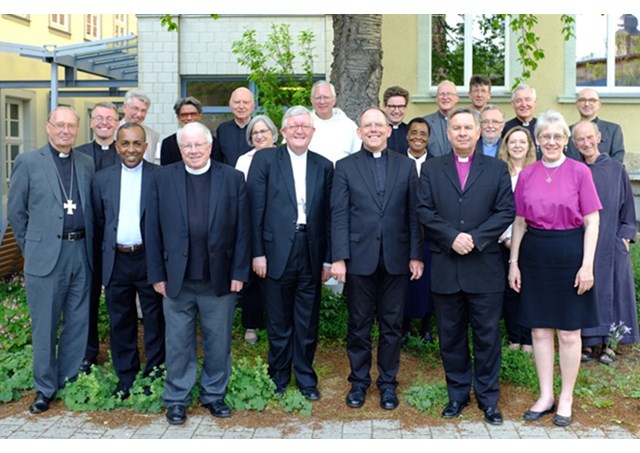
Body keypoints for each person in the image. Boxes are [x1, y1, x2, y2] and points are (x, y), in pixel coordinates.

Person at [146, 121, 250, 425]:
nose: (193, 150)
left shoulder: (232, 178)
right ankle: (177, 398)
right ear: (180, 149)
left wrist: (239, 272)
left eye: (198, 145)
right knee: (178, 343)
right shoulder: (163, 178)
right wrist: (157, 274)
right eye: (187, 146)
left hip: (219, 279)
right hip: (176, 279)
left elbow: (243, 230)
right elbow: (152, 229)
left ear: (209, 146)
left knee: (218, 343)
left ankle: (213, 395)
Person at [417, 108, 515, 426]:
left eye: (467, 128)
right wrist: (451, 237)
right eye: (456, 128)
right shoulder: (432, 169)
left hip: (484, 268)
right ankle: (457, 395)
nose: (462, 133)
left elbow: (505, 211)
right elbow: (424, 210)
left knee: (487, 337)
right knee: (451, 336)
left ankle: (488, 399)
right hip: (447, 267)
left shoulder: (497, 169)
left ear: (478, 132)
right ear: (448, 133)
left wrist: (473, 237)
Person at [508, 110, 601, 427]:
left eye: (557, 136)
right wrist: (514, 263)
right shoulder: (527, 174)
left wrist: (587, 264)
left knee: (570, 332)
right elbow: (519, 223)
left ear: (566, 140)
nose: (551, 141)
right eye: (545, 136)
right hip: (535, 255)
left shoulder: (579, 172)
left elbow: (592, 221)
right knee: (539, 329)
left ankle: (566, 397)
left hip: (570, 254)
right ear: (537, 139)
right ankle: (546, 394)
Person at [331, 108, 423, 411]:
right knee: (358, 324)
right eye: (367, 125)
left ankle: (387, 384)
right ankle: (358, 382)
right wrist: (339, 258)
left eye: (378, 125)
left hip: (397, 258)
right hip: (358, 259)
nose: (373, 130)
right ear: (359, 132)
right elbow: (339, 214)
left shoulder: (406, 166)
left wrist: (415, 255)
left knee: (392, 325)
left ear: (388, 130)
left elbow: (413, 214)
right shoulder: (344, 167)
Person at [7, 106, 95, 414]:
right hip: (45, 258)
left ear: (77, 129)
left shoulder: (86, 163)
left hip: (80, 253)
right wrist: (32, 247)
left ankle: (69, 381)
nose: (65, 131)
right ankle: (44, 388)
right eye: (59, 125)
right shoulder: (28, 162)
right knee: (44, 325)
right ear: (48, 127)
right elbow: (16, 213)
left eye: (71, 126)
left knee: (77, 321)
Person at [247, 106, 333, 400]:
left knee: (307, 322)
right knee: (279, 321)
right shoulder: (266, 160)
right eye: (293, 126)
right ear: (282, 132)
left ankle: (306, 378)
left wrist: (327, 258)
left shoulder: (324, 166)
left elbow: (329, 217)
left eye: (304, 126)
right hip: (274, 253)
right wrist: (257, 253)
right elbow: (254, 209)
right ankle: (279, 376)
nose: (299, 130)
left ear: (312, 132)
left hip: (310, 250)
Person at [91, 122, 165, 399]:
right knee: (121, 322)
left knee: (156, 321)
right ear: (116, 146)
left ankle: (155, 376)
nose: (131, 149)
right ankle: (126, 379)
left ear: (145, 147)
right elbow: (100, 222)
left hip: (149, 259)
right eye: (125, 143)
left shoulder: (160, 176)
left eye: (137, 144)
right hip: (117, 261)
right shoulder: (101, 179)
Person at [573, 120, 639, 364]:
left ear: (599, 137)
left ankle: (611, 342)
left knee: (616, 292)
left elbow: (628, 210)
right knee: (586, 292)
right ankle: (589, 343)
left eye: (590, 137)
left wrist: (624, 236)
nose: (586, 143)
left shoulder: (616, 169)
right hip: (583, 242)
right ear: (574, 143)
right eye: (580, 139)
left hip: (612, 241)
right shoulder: (575, 170)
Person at [75, 101, 120, 373]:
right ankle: (87, 353)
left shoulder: (126, 152)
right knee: (86, 299)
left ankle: (120, 354)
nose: (104, 122)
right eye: (99, 118)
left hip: (117, 242)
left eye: (110, 118)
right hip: (88, 242)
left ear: (117, 122)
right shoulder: (78, 155)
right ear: (91, 122)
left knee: (120, 302)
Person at [235, 114, 278, 345]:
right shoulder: (244, 160)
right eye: (255, 132)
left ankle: (275, 322)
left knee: (276, 278)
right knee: (252, 277)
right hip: (251, 224)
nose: (260, 135)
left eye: (264, 131)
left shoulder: (284, 155)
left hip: (279, 227)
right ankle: (251, 325)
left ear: (273, 133)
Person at [497, 126, 537, 353]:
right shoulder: (499, 172)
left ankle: (529, 339)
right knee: (510, 291)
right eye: (513, 142)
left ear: (529, 146)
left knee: (529, 291)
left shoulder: (538, 172)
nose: (518, 146)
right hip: (505, 241)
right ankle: (514, 338)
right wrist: (505, 237)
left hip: (532, 241)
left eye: (522, 142)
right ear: (506, 145)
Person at [401, 117, 434, 345]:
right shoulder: (396, 161)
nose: (418, 137)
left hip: (429, 233)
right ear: (407, 135)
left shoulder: (436, 164)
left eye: (423, 133)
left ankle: (426, 326)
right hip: (401, 233)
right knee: (404, 282)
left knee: (427, 281)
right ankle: (403, 326)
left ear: (429, 138)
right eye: (414, 132)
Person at [308, 80, 361, 164]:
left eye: (326, 97)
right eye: (318, 97)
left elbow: (358, 156)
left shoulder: (348, 125)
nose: (322, 101)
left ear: (334, 100)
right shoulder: (303, 124)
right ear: (311, 100)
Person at [566, 88, 625, 163]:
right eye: (582, 100)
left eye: (592, 100)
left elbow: (617, 161)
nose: (587, 104)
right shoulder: (567, 132)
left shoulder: (613, 130)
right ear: (576, 104)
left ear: (599, 104)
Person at [213, 87, 255, 167]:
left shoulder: (260, 129)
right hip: (227, 178)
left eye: (246, 102)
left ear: (253, 106)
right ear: (230, 105)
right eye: (237, 102)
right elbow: (218, 159)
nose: (241, 106)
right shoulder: (223, 129)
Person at [160, 96, 204, 166]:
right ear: (178, 117)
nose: (189, 118)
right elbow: (165, 171)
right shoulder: (168, 143)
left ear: (199, 116)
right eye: (184, 115)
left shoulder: (212, 141)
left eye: (193, 114)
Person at [121, 90, 160, 163]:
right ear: (124, 108)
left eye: (143, 111)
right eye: (135, 109)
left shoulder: (153, 135)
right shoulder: (112, 132)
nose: (139, 114)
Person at [424, 80, 459, 157]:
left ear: (456, 98)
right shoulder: (425, 123)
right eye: (441, 94)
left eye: (449, 94)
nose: (445, 97)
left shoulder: (463, 122)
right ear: (436, 99)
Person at [382, 85, 410, 153]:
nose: (396, 111)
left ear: (406, 108)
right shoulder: (378, 132)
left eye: (400, 106)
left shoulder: (410, 132)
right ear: (384, 106)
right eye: (392, 106)